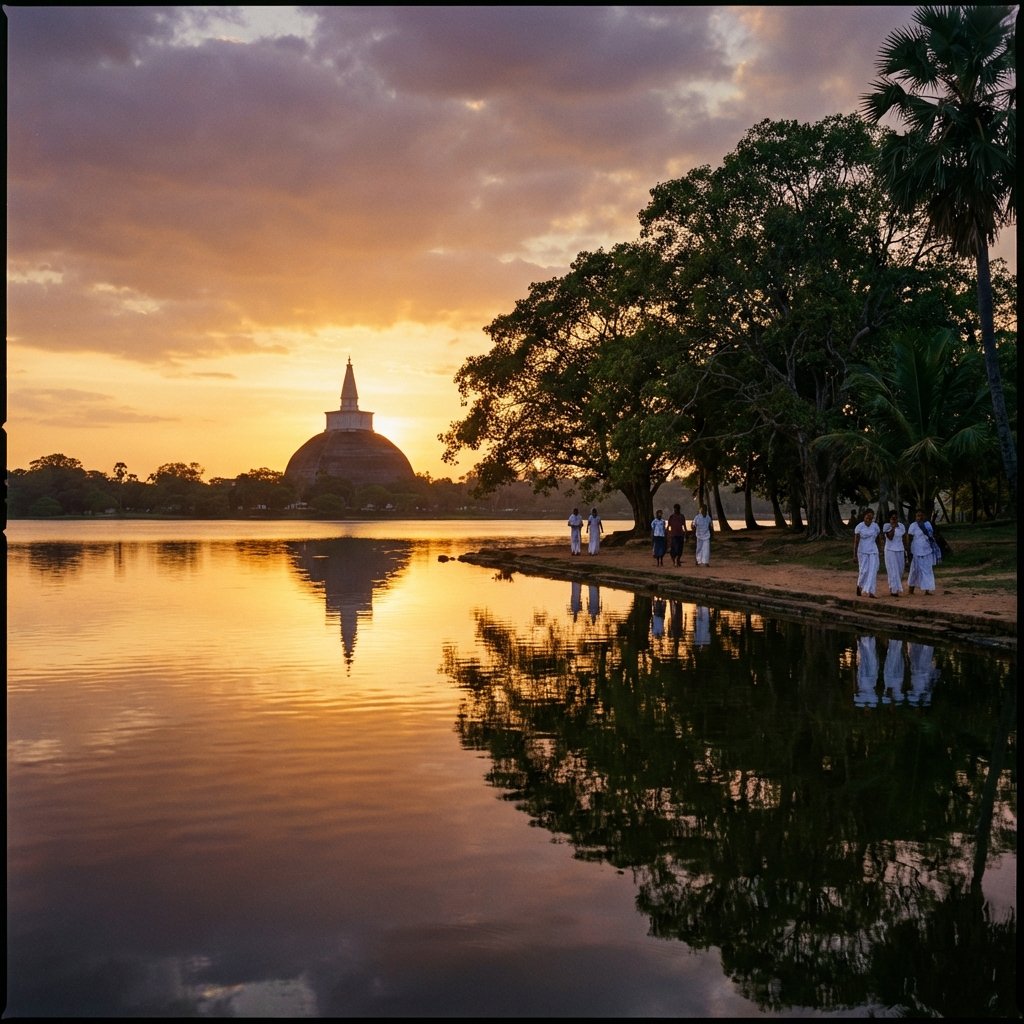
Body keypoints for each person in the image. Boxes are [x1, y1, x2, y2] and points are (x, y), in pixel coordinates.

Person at [906, 508, 938, 595]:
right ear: (915, 517)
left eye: (921, 515)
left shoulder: (928, 525)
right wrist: (908, 549)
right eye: (918, 516)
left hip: (927, 550)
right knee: (914, 570)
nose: (919, 517)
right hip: (916, 551)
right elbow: (909, 536)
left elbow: (931, 535)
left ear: (925, 516)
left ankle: (927, 590)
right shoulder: (913, 525)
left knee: (927, 570)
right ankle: (911, 589)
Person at [853, 507, 881, 598]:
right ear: (864, 517)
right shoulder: (859, 527)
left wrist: (880, 550)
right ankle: (859, 586)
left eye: (871, 517)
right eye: (867, 517)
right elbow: (856, 541)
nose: (869, 519)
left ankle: (871, 592)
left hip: (873, 551)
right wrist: (854, 555)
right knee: (864, 571)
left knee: (873, 571)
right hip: (862, 551)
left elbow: (878, 539)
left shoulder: (875, 526)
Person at [881, 511, 907, 597]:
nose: (894, 520)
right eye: (892, 518)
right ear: (890, 519)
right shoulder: (886, 526)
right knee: (892, 570)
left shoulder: (902, 526)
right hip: (890, 550)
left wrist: (906, 549)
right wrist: (893, 527)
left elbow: (904, 538)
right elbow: (890, 537)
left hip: (900, 549)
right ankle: (893, 590)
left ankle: (896, 587)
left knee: (900, 570)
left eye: (896, 518)